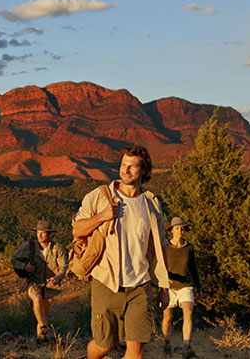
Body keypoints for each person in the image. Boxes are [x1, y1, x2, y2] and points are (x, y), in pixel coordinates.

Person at [72, 145, 170, 359]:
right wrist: (102, 216)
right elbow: (77, 229)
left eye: (132, 166)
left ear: (145, 171)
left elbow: (159, 247)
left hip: (140, 287)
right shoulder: (100, 197)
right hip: (107, 283)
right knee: (104, 345)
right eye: (123, 165)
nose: (125, 170)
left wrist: (163, 285)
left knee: (136, 351)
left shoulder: (152, 204)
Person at [10, 219, 69, 343]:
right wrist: (25, 267)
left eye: (43, 233)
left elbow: (64, 265)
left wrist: (58, 277)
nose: (40, 235)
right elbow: (14, 259)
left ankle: (40, 339)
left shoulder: (57, 248)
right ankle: (44, 327)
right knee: (36, 298)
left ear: (49, 234)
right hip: (32, 282)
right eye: (38, 233)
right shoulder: (29, 246)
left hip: (50, 286)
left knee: (43, 313)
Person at [161, 217, 201, 358]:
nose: (180, 230)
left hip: (186, 286)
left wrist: (198, 286)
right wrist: (163, 281)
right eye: (177, 228)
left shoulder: (189, 247)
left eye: (182, 228)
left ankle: (186, 346)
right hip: (169, 287)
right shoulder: (164, 246)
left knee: (188, 314)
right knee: (167, 317)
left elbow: (193, 268)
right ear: (171, 230)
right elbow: (159, 266)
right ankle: (166, 342)